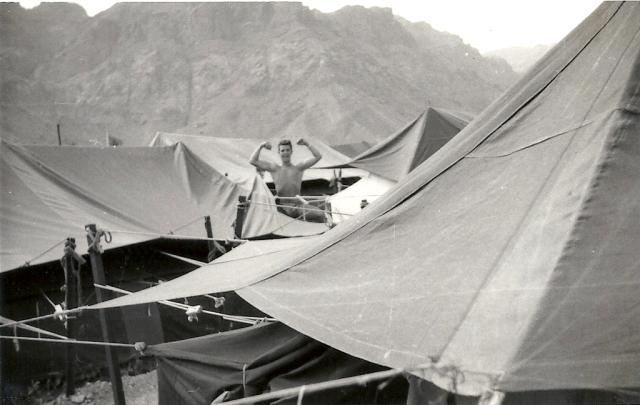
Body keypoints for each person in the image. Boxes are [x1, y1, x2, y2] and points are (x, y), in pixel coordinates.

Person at [249, 138, 322, 218]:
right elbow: (252, 160)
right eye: (283, 150)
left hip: (298, 206)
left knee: (321, 214)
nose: (285, 153)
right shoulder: (274, 168)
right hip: (282, 208)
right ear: (279, 153)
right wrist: (261, 145)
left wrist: (306, 143)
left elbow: (318, 156)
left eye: (287, 150)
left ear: (291, 152)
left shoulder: (299, 168)